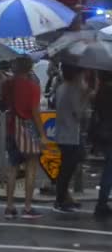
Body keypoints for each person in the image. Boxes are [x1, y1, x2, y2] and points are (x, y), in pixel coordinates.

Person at [4, 57, 49, 220]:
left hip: (10, 128)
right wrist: (43, 135)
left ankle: (9, 206)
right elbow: (35, 112)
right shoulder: (33, 87)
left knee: (13, 168)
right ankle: (27, 207)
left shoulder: (7, 85)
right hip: (28, 129)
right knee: (31, 168)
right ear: (30, 68)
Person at [54, 64, 89, 213]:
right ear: (76, 75)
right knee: (67, 169)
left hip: (62, 133)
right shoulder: (72, 90)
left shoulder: (61, 87)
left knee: (66, 167)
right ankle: (61, 200)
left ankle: (64, 197)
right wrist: (86, 97)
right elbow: (79, 113)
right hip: (70, 135)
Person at [91, 71, 112, 218]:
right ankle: (101, 203)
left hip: (103, 134)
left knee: (108, 169)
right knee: (109, 170)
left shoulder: (101, 92)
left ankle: (102, 202)